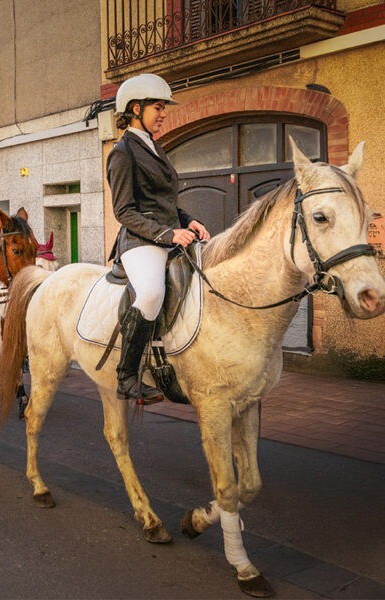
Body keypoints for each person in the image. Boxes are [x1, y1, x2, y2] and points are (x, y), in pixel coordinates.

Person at [107, 73, 211, 405]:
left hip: (169, 235)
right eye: (157, 106)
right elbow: (124, 211)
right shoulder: (122, 152)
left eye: (163, 107)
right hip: (140, 241)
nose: (163, 113)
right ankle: (127, 376)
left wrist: (189, 221)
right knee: (151, 294)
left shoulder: (155, 147)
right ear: (135, 108)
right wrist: (167, 233)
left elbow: (165, 201)